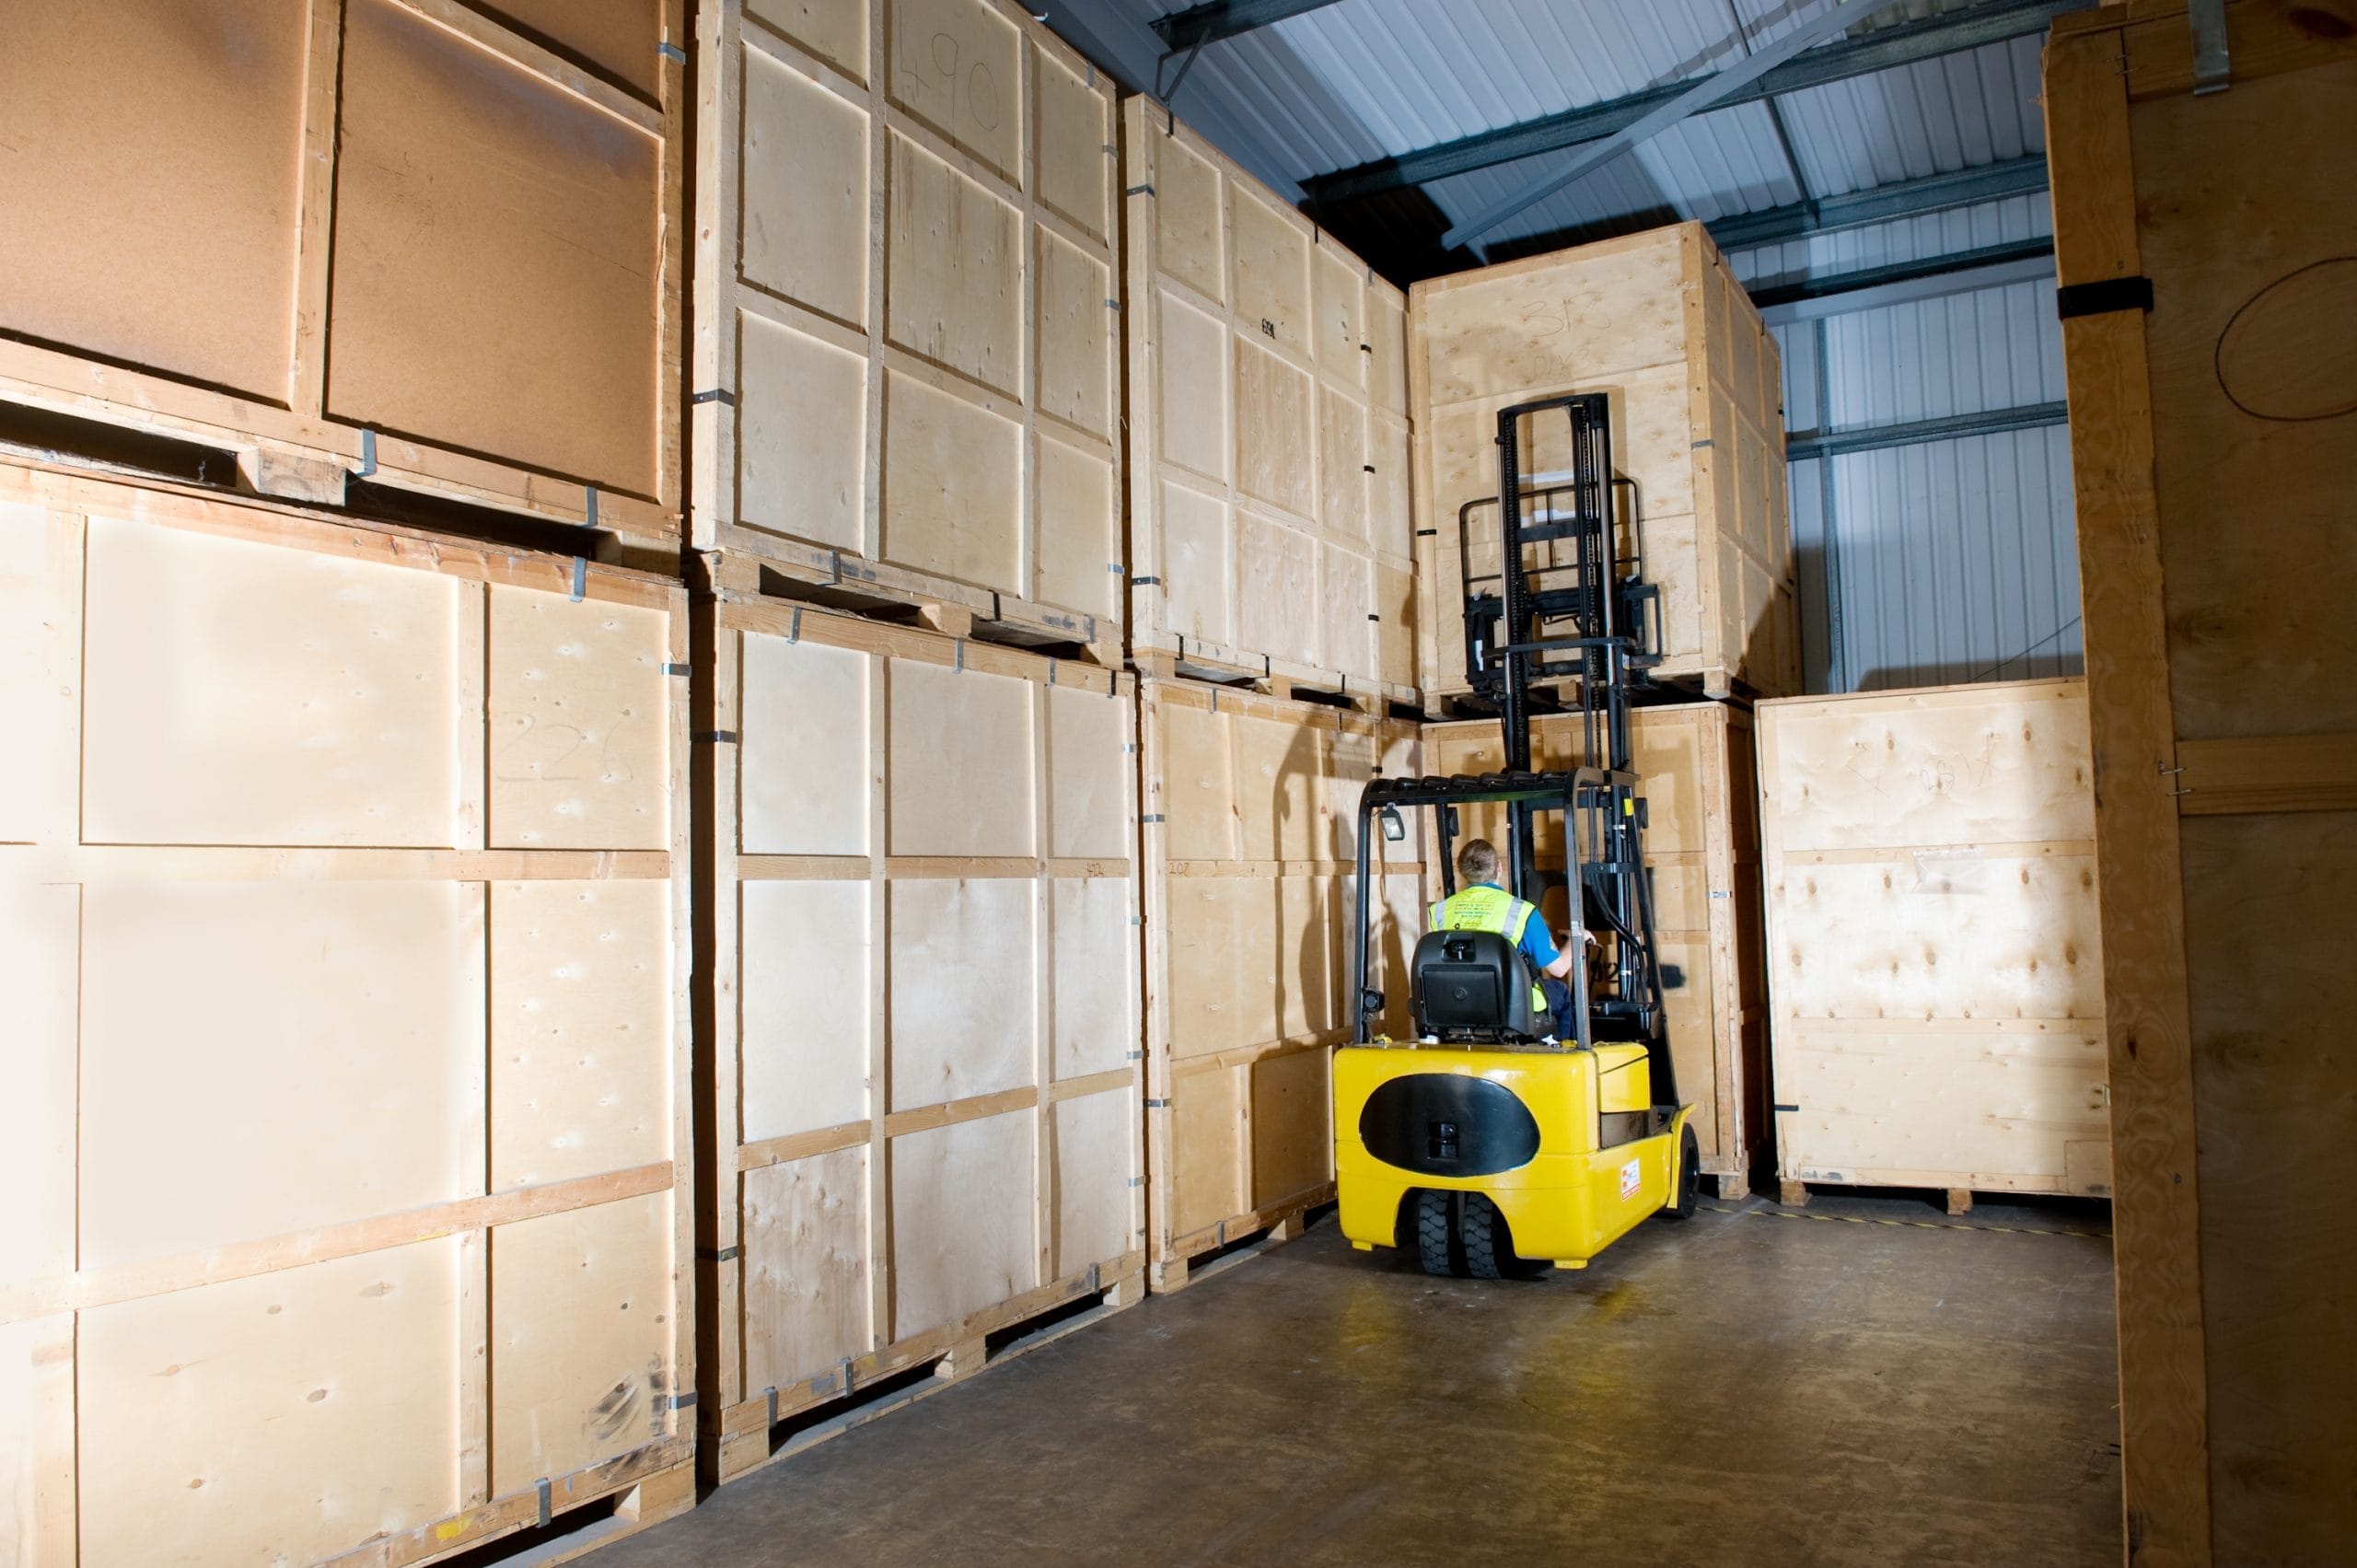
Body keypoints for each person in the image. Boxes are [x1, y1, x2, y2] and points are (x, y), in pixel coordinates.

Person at [1428, 837, 1582, 1040]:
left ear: (1463, 872)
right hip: (1512, 1005)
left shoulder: (1439, 911)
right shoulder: (1521, 911)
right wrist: (1576, 939)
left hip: (1457, 1001)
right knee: (1560, 992)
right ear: (1499, 868)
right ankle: (1563, 1058)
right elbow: (1559, 968)